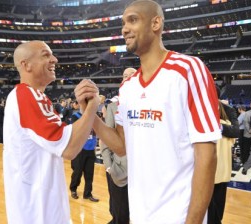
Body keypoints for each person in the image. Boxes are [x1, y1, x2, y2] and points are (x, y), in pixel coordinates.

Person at [91, 1, 222, 223]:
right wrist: (91, 117)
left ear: (156, 23)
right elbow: (122, 146)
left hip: (178, 215)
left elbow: (207, 155)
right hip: (140, 213)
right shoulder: (127, 86)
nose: (124, 29)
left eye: (132, 20)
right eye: (123, 23)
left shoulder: (189, 69)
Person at [3, 40, 99, 224]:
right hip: (38, 213)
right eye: (45, 55)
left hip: (41, 208)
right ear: (26, 65)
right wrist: (92, 107)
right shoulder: (26, 95)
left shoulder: (34, 96)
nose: (54, 59)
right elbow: (69, 148)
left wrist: (84, 108)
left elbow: (64, 138)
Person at [101, 67, 136, 224]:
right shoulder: (112, 107)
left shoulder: (149, 104)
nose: (127, 78)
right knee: (120, 214)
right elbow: (105, 138)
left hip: (143, 172)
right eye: (124, 76)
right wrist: (109, 166)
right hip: (120, 170)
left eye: (132, 75)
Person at [208, 92, 239, 224]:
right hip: (216, 170)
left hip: (214, 170)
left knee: (217, 203)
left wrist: (217, 126)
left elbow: (236, 131)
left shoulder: (227, 111)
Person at [69, 101, 99, 202]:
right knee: (77, 172)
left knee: (89, 173)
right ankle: (73, 189)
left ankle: (88, 193)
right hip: (79, 149)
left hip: (91, 148)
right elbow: (75, 130)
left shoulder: (94, 117)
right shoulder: (75, 116)